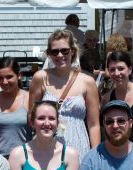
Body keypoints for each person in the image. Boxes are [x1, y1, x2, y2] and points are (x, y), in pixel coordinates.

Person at [29, 29, 100, 162]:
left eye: (64, 50)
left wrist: (95, 155)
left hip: (78, 144)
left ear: (72, 51)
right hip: (47, 145)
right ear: (49, 54)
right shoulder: (40, 78)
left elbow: (94, 123)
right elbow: (31, 116)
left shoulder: (88, 82)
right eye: (55, 51)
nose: (60, 55)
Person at [0, 57, 32, 159]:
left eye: (9, 77)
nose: (5, 82)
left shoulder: (29, 99)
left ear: (19, 76)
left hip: (24, 159)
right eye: (0, 78)